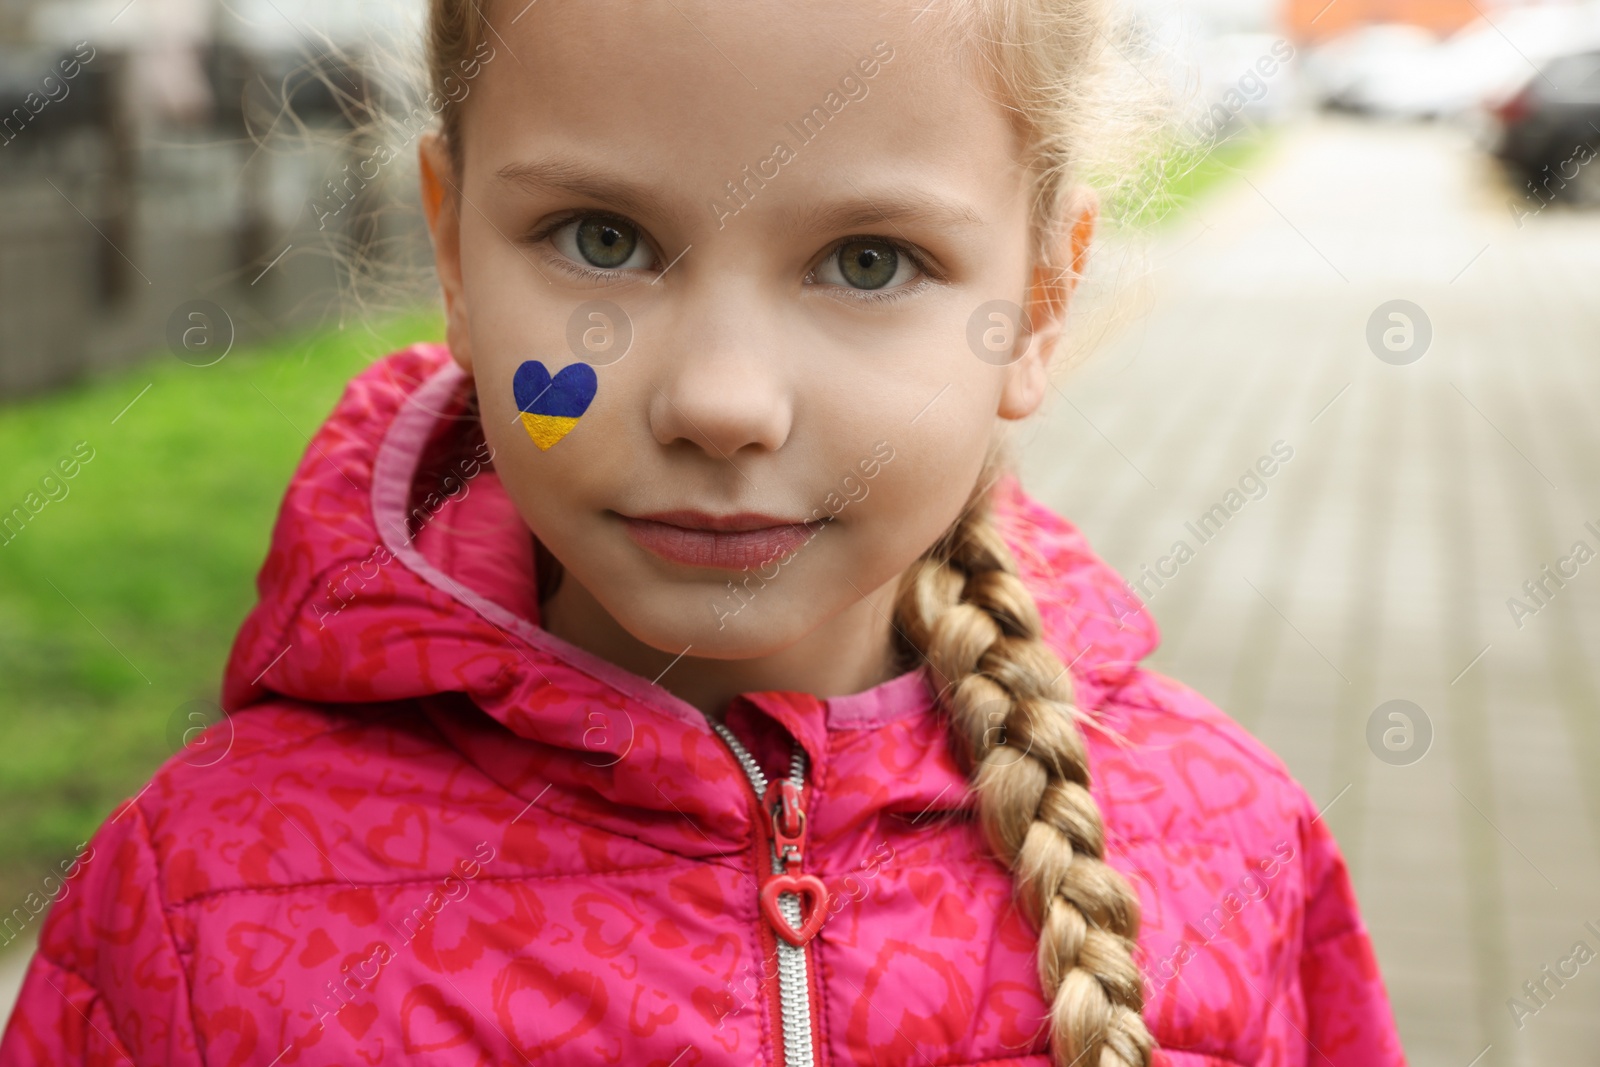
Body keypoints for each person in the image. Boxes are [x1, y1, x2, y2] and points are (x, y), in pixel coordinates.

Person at [0, 0, 1408, 1064]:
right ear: (456, 259)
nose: (720, 402)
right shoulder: (203, 903)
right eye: (601, 240)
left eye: (869, 262)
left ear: (1040, 303)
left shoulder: (1234, 852)